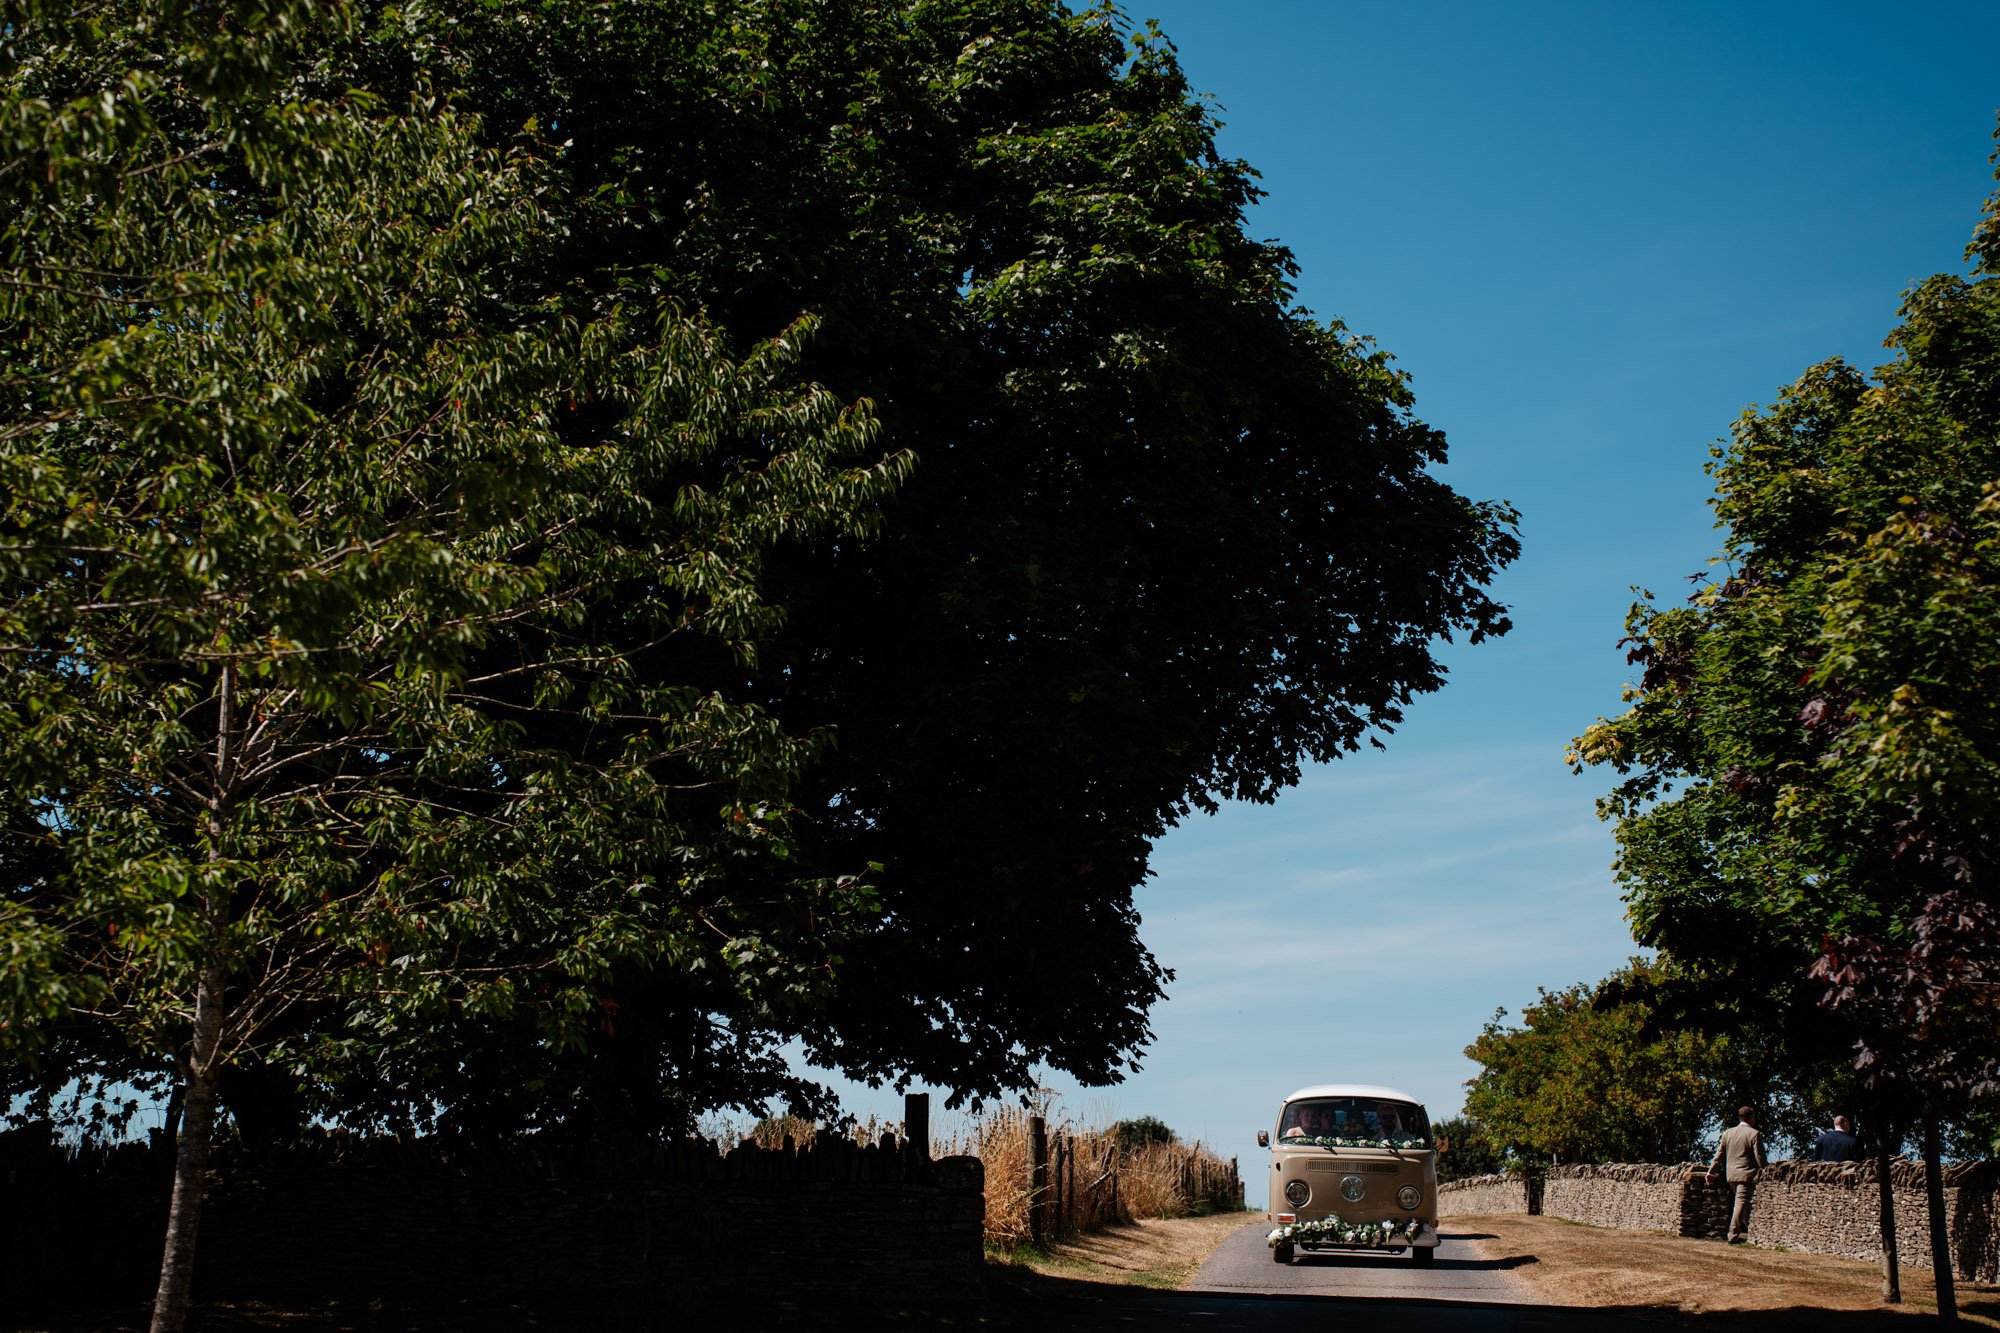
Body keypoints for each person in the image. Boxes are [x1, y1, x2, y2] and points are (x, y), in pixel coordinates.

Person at [1704, 1105, 1766, 1243]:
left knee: (1744, 1206)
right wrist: (1765, 1170)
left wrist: (1711, 1171)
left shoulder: (1728, 1133)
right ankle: (1732, 1234)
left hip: (1731, 1175)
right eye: (1753, 1117)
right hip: (1747, 1175)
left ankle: (1754, 1232)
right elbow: (1760, 1157)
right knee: (1740, 1204)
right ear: (1750, 1117)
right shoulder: (1754, 1134)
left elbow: (1719, 1155)